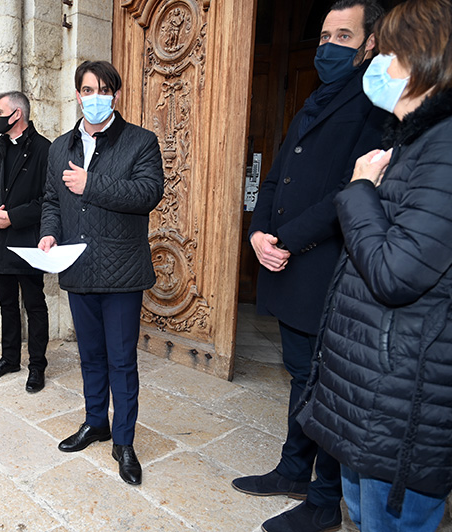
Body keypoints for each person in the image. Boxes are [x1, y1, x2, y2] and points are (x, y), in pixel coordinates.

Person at [233, 1, 388, 530]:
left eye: (342, 36)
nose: (326, 46)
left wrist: (286, 239)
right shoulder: (311, 102)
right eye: (322, 36)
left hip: (328, 270)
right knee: (302, 376)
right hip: (287, 264)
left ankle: (323, 502)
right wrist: (256, 232)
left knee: (328, 387)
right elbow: (275, 177)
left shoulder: (374, 107)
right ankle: (294, 469)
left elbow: (354, 191)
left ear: (369, 44)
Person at [298, 1, 452, 530]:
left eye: (387, 52)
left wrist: (360, 189)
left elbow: (395, 273)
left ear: (424, 57)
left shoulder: (445, 147)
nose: (377, 63)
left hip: (404, 401)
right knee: (363, 518)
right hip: (372, 392)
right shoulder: (414, 140)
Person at [38, 60, 163, 486]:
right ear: (77, 94)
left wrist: (92, 183)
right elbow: (52, 199)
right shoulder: (59, 147)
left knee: (121, 360)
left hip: (123, 272)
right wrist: (49, 235)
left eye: (104, 90)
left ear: (116, 94)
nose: (95, 97)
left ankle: (124, 441)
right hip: (77, 267)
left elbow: (148, 193)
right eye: (87, 89)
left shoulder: (141, 142)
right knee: (89, 356)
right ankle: (96, 422)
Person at [0, 91, 51, 393]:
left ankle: (37, 366)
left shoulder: (45, 150)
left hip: (28, 242)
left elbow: (49, 200)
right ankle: (9, 358)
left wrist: (13, 217)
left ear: (16, 114)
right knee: (6, 303)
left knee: (34, 305)